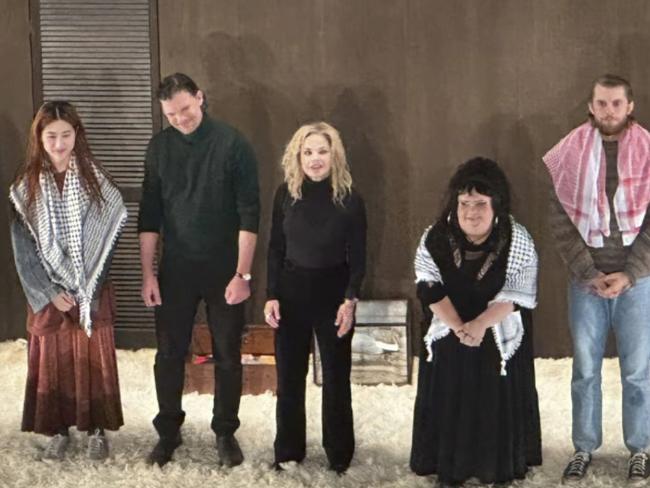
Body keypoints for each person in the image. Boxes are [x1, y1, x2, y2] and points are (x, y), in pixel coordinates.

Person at [138, 73, 260, 467]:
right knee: (169, 353)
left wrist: (242, 276)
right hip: (176, 266)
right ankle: (168, 431)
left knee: (227, 354)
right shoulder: (158, 148)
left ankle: (225, 431)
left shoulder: (232, 143)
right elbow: (149, 215)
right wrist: (148, 274)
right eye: (171, 114)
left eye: (186, 110)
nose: (180, 119)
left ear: (201, 99)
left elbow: (249, 214)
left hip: (225, 267)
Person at [543, 74, 650, 485]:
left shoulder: (647, 150)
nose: (609, 111)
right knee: (585, 369)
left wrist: (630, 272)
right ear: (591, 106)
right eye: (601, 104)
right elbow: (559, 218)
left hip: (637, 282)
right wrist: (588, 272)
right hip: (585, 280)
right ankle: (583, 448)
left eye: (616, 104)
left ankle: (639, 448)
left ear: (630, 106)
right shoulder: (569, 151)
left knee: (638, 371)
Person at [410, 158, 542, 487]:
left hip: (497, 324)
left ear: (496, 206)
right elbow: (429, 288)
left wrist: (480, 325)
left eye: (480, 204)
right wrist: (459, 327)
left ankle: (492, 461)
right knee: (450, 353)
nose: (472, 212)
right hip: (451, 322)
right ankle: (446, 459)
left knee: (491, 362)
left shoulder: (517, 239)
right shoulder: (435, 237)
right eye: (465, 203)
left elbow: (517, 295)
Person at [9, 101, 127, 461]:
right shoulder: (26, 186)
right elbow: (23, 248)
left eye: (66, 135)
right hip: (50, 294)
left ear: (77, 135)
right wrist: (49, 292)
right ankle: (58, 430)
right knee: (53, 358)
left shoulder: (96, 180)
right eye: (51, 137)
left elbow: (108, 234)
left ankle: (95, 429)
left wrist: (87, 285)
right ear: (39, 139)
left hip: (90, 288)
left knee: (91, 356)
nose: (59, 144)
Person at [264, 122, 366, 474]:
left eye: (322, 151)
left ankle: (339, 453)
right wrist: (271, 295)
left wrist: (350, 299)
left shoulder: (350, 198)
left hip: (334, 295)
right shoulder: (285, 194)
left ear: (333, 154)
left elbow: (359, 256)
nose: (315, 158)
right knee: (289, 378)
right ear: (298, 156)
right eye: (308, 152)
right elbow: (275, 249)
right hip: (291, 294)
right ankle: (288, 450)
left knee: (336, 378)